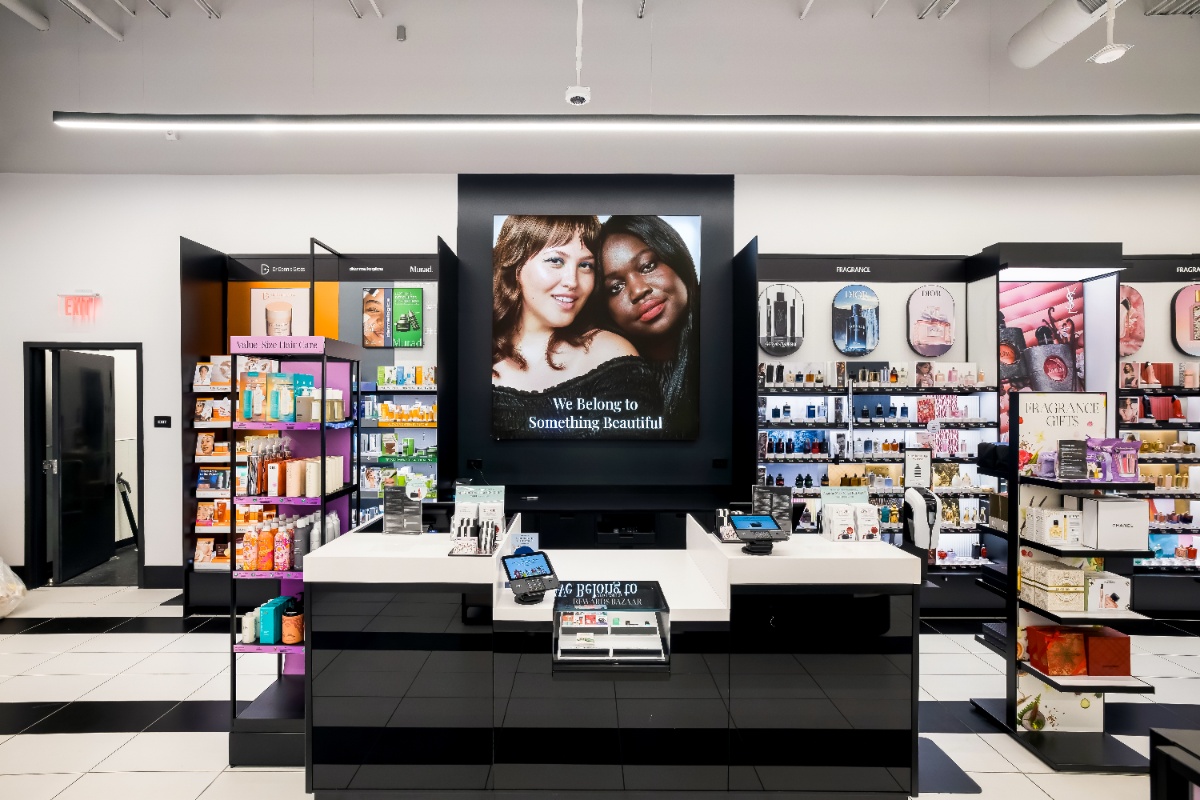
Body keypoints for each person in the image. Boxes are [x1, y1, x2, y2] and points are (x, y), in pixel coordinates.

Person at [492, 215, 662, 439]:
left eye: (585, 265)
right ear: (516, 264)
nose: (572, 281)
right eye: (556, 261)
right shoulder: (471, 355)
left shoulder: (610, 353)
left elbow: (626, 465)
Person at [597, 215, 700, 438]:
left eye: (647, 266)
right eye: (615, 287)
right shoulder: (606, 381)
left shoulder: (724, 356)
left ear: (676, 259)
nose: (637, 290)